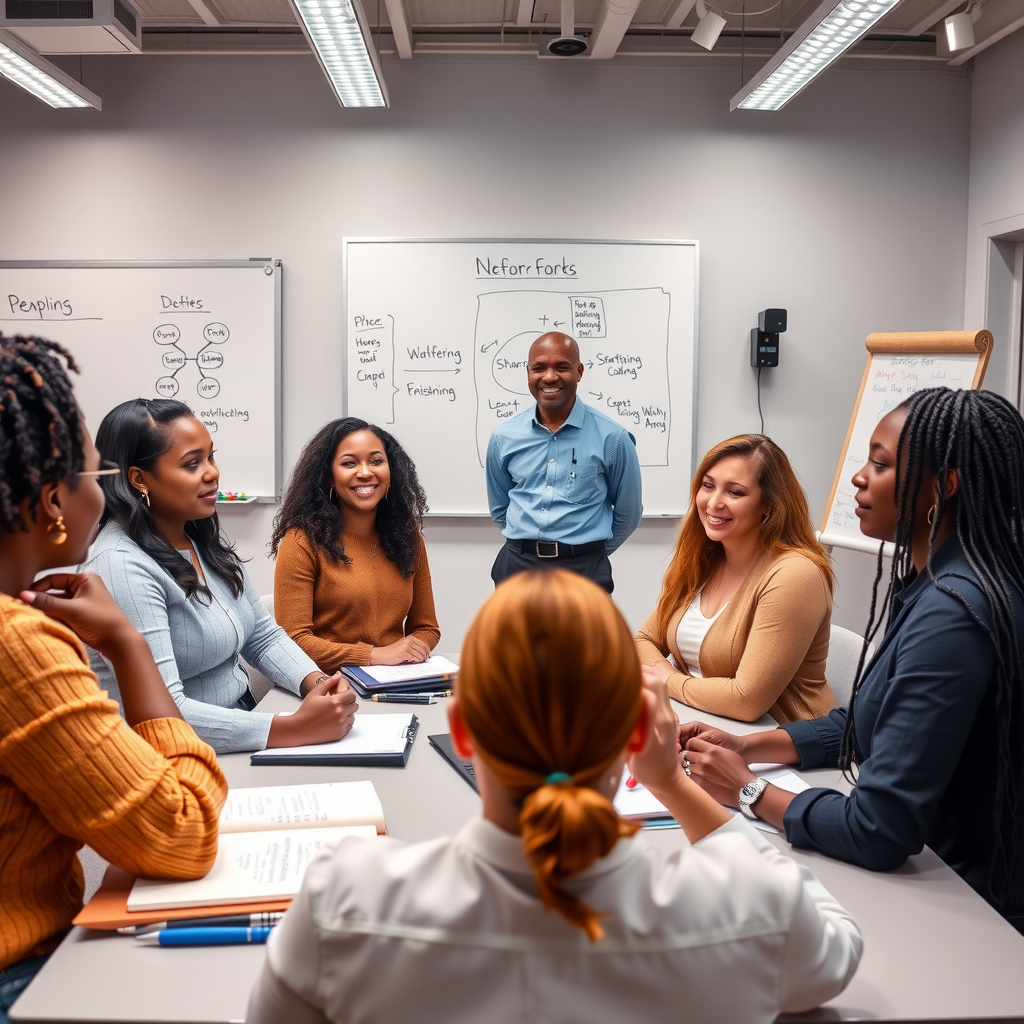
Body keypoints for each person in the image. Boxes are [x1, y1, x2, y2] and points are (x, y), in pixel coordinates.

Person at [246, 569, 862, 1024]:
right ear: (639, 733)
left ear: (461, 733)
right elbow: (836, 951)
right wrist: (672, 784)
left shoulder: (345, 901)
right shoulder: (750, 905)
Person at [679, 388, 1024, 934]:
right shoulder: (932, 585)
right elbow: (865, 721)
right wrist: (747, 746)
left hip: (973, 908)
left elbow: (881, 830)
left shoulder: (955, 614)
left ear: (946, 485)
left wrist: (747, 789)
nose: (858, 478)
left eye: (881, 464)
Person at [0, 336, 227, 1022]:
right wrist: (126, 645)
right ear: (52, 501)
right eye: (92, 475)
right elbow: (181, 835)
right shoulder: (16, 643)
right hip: (21, 974)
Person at [81, 398, 357, 755]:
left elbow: (262, 635)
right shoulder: (119, 565)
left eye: (210, 457)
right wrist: (294, 728)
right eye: (192, 464)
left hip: (245, 729)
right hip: (175, 757)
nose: (212, 472)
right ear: (139, 479)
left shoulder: (196, 536)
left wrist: (318, 683)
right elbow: (161, 714)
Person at [635, 434, 835, 723]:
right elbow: (643, 641)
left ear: (768, 504)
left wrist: (670, 681)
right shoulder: (703, 559)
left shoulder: (796, 574)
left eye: (735, 492)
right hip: (706, 725)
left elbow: (746, 701)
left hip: (787, 748)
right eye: (708, 486)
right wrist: (673, 680)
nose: (714, 503)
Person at [271, 418, 439, 670]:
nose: (365, 472)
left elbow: (426, 627)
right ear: (329, 477)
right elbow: (293, 641)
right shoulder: (302, 541)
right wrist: (373, 655)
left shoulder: (409, 539)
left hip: (394, 679)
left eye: (376, 461)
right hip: (327, 684)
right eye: (349, 463)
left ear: (391, 471)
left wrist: (412, 648)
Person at [485, 331, 642, 593]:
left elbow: (629, 513)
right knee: (512, 637)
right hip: (517, 566)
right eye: (539, 368)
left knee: (584, 637)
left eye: (562, 367)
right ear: (528, 373)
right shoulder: (504, 437)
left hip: (584, 570)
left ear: (579, 372)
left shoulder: (613, 438)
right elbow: (500, 507)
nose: (549, 377)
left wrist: (589, 552)